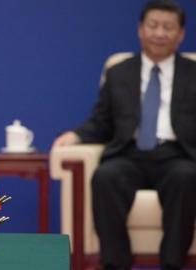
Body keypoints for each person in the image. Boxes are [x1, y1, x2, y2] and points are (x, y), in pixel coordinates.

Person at [52, 1, 196, 269]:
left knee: (186, 177)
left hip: (178, 155)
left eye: (168, 27)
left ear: (181, 34)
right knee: (105, 176)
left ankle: (172, 263)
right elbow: (101, 121)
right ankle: (115, 263)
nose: (160, 33)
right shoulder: (119, 72)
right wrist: (77, 135)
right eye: (153, 25)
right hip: (130, 153)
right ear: (141, 30)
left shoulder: (193, 73)